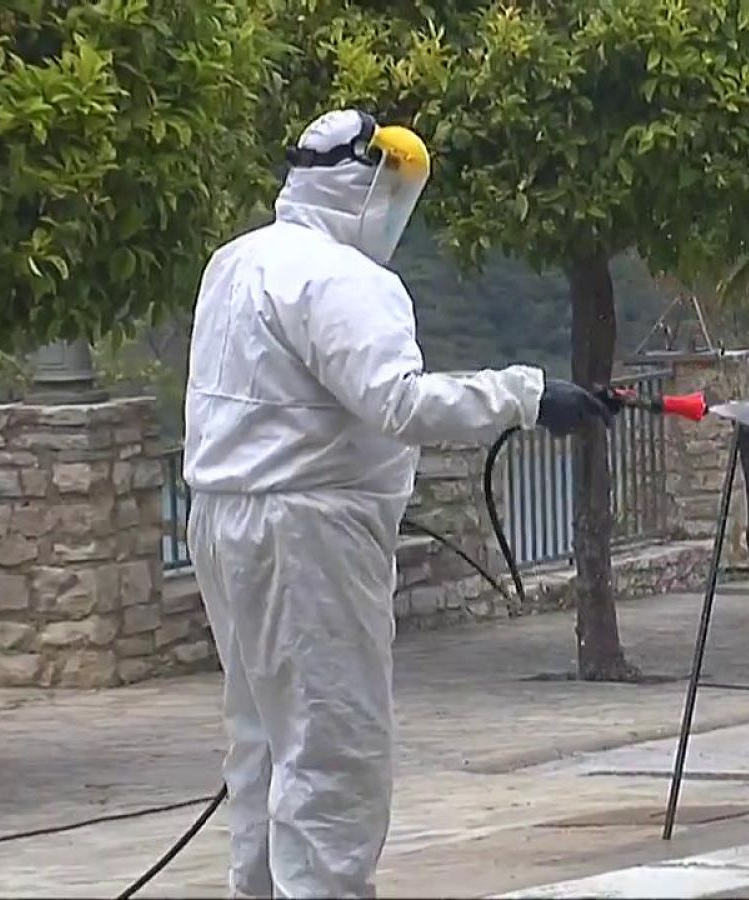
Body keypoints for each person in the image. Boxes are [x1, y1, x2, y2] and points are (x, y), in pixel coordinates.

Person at [183, 108, 614, 898]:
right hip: (308, 532)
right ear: (362, 183)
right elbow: (400, 404)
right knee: (331, 746)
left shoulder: (236, 263)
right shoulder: (346, 280)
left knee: (262, 742)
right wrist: (526, 395)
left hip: (223, 521)